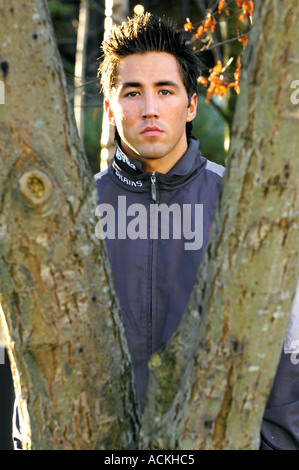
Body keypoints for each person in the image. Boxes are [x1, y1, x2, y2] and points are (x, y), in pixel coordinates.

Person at [95, 13, 224, 409]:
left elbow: (289, 341)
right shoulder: (78, 210)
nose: (150, 108)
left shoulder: (235, 202)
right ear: (111, 109)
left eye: (165, 91)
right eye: (132, 93)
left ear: (191, 106)